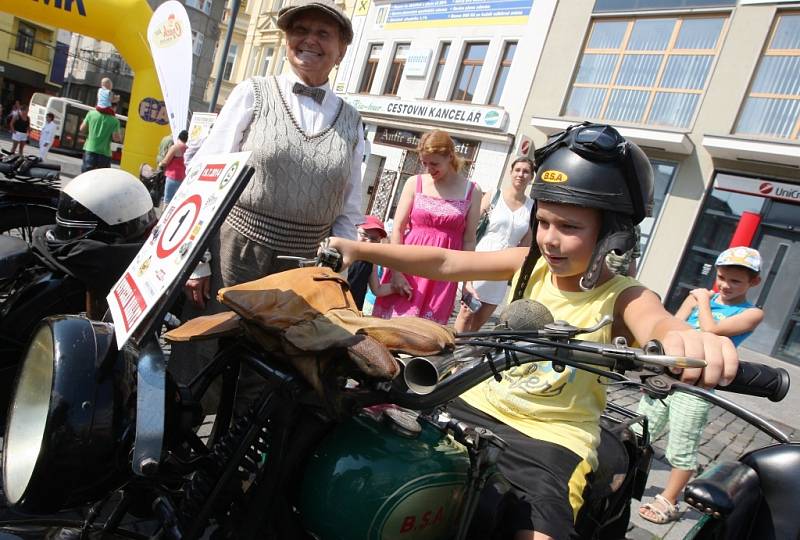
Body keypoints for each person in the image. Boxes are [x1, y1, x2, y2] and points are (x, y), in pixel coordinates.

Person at [326, 123, 739, 540]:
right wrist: (359, 249)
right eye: (543, 223)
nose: (550, 240)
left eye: (570, 227)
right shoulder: (530, 263)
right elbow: (446, 261)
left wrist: (682, 338)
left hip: (550, 439)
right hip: (469, 404)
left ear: (612, 236)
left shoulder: (623, 296)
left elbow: (657, 320)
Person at [171, 0, 364, 414]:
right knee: (206, 354)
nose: (309, 39)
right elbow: (206, 174)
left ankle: (238, 464)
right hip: (234, 253)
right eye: (300, 29)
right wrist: (198, 261)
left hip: (302, 268)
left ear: (341, 50)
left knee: (272, 372)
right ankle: (177, 449)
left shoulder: (352, 120)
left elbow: (350, 208)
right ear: (287, 38)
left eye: (323, 33)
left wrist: (334, 272)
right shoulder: (253, 92)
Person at [637, 246, 763, 525]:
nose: (726, 285)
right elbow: (671, 328)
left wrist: (703, 301)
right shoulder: (698, 299)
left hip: (699, 387)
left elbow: (711, 330)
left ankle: (668, 499)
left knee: (683, 444)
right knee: (640, 429)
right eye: (722, 277)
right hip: (667, 377)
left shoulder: (752, 313)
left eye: (736, 281)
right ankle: (620, 476)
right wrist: (653, 369)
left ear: (754, 282)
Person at [371, 130, 482, 324]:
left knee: (425, 338)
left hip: (442, 274)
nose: (428, 168)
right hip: (406, 268)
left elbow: (469, 240)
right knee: (390, 330)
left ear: (449, 157)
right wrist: (396, 272)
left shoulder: (472, 191)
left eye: (434, 163)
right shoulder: (415, 183)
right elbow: (397, 229)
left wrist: (467, 283)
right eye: (424, 162)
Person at [454, 156, 534, 332]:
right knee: (467, 313)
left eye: (526, 171)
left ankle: (465, 356)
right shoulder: (494, 195)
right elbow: (471, 226)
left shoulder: (531, 207)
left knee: (479, 323)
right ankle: (452, 353)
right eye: (518, 170)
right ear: (511, 172)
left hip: (502, 271)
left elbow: (526, 243)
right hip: (481, 262)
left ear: (531, 177)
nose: (521, 174)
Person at [346, 215, 397, 311]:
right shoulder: (344, 252)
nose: (368, 241)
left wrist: (395, 287)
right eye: (364, 235)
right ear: (355, 231)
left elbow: (377, 289)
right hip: (334, 301)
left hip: (353, 308)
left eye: (373, 239)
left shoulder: (371, 261)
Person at [79, 104, 121, 172]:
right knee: (101, 178)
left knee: (86, 176)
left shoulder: (91, 114)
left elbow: (82, 129)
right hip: (104, 153)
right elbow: (116, 138)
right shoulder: (115, 121)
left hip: (90, 149)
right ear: (113, 107)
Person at [159, 129, 189, 204]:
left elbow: (165, 162)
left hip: (172, 177)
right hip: (183, 178)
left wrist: (160, 164)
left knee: (167, 201)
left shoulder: (175, 147)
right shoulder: (187, 149)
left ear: (178, 137)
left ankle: (164, 215)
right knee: (177, 202)